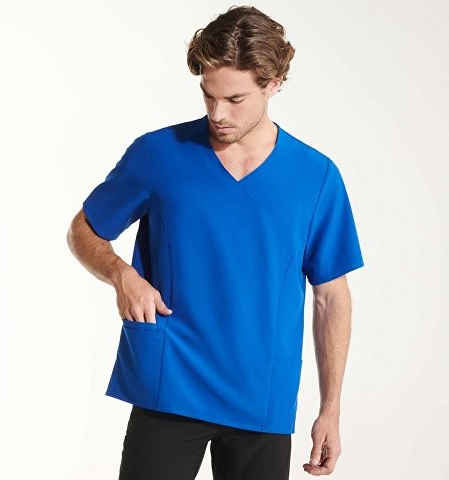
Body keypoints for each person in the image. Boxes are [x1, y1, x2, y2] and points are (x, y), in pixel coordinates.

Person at [67, 5, 364, 479]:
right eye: (208, 95)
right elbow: (84, 229)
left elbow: (331, 295)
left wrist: (331, 409)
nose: (217, 114)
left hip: (261, 396)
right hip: (171, 382)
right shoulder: (158, 154)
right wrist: (121, 275)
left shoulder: (316, 177)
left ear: (273, 84)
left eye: (235, 98)